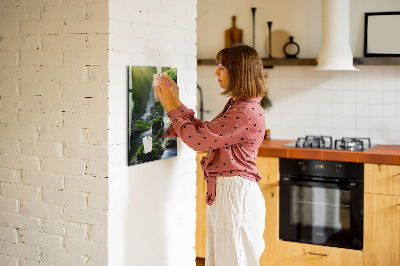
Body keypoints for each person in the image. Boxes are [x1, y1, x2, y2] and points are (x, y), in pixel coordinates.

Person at [155, 44, 267, 266]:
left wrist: (170, 108)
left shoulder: (244, 111)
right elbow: (206, 133)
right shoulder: (240, 106)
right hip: (230, 195)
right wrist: (176, 104)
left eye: (222, 67)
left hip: (235, 197)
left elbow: (198, 141)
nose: (217, 73)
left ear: (238, 72)